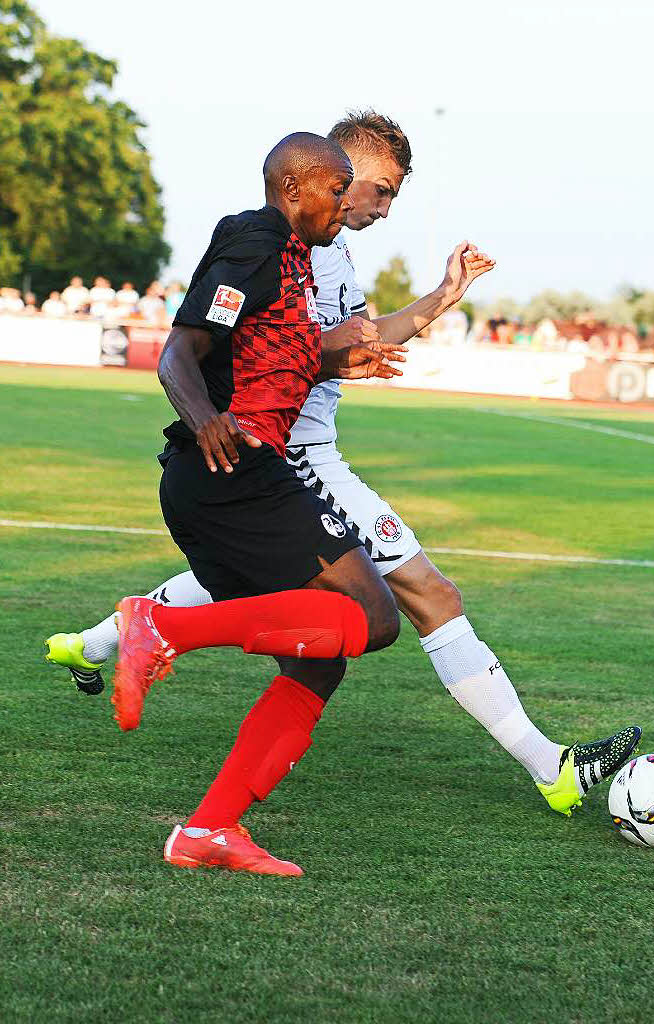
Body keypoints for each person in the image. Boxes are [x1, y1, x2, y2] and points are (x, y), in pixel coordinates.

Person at [47, 114, 640, 839]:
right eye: (376, 190)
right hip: (288, 459)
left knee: (282, 614)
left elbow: (340, 340)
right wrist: (240, 399)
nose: (381, 208)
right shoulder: (271, 243)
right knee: (417, 599)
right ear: (332, 178)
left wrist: (437, 300)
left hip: (285, 460)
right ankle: (549, 768)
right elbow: (200, 345)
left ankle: (109, 654)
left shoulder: (325, 255)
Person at [55, 131, 406, 877]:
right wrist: (202, 418)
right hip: (232, 473)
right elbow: (183, 351)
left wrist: (338, 356)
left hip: (225, 480)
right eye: (334, 188)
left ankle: (209, 831)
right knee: (373, 619)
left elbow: (270, 352)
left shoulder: (290, 258)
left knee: (317, 665)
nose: (345, 202)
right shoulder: (254, 238)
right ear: (292, 189)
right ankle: (158, 623)